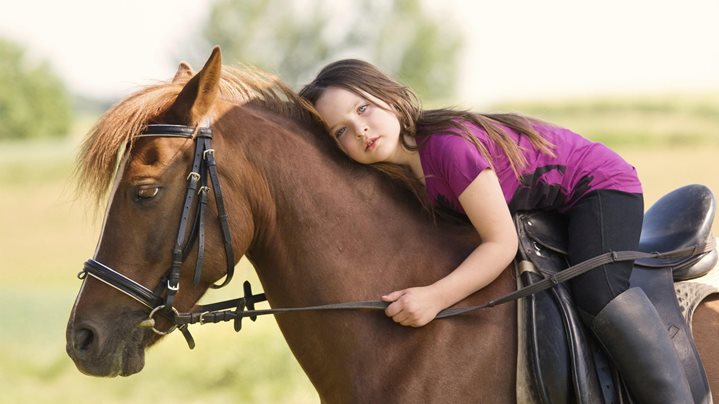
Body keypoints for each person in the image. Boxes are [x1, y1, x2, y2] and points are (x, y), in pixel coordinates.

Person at [299, 59, 694, 403]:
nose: (360, 130)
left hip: (599, 186)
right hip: (549, 204)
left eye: (363, 109)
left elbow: (500, 242)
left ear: (387, 94)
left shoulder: (446, 148)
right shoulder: (403, 174)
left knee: (597, 289)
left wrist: (436, 297)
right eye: (341, 131)